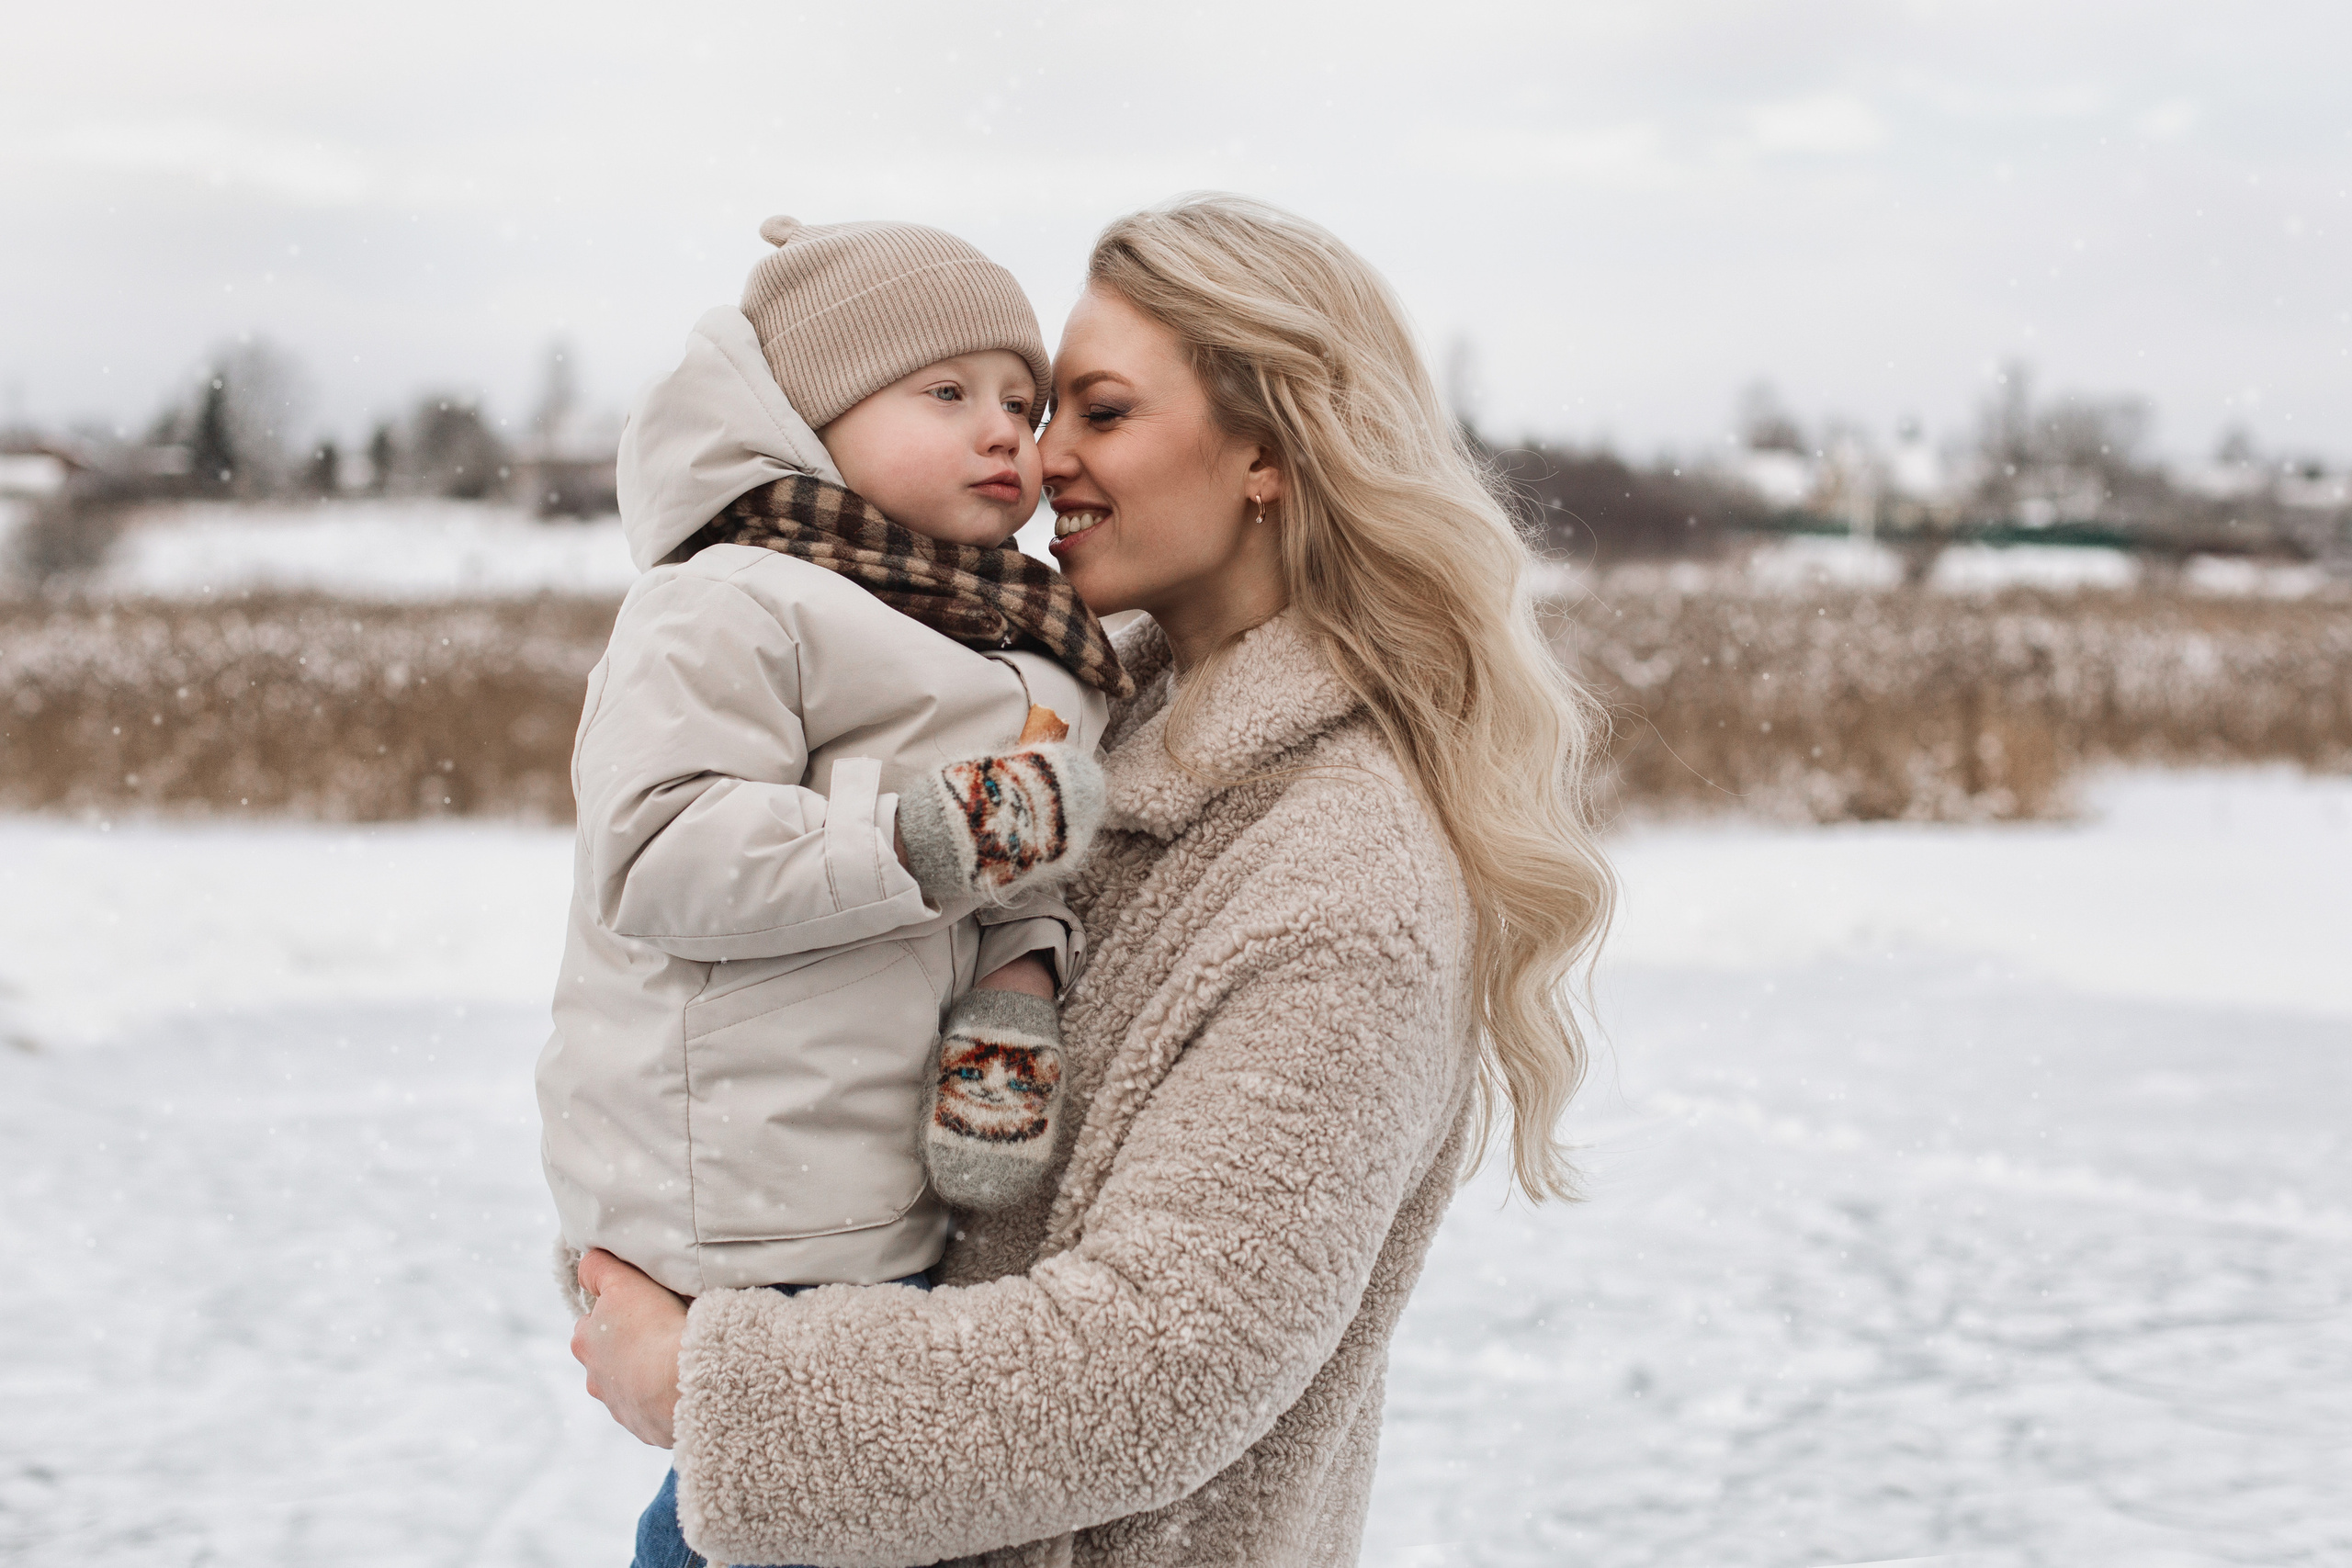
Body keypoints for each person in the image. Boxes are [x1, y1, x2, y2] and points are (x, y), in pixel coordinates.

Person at [571, 194, 1616, 1567]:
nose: (1038, 451)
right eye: (1038, 406)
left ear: (1269, 453)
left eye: (1100, 413)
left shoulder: (1349, 876)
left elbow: (1153, 1368)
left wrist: (708, 1381)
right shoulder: (1077, 716)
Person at [538, 216, 1136, 1563]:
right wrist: (939, 838)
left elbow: (1023, 860)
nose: (1008, 434)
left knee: (824, 1516)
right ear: (807, 419)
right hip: (737, 1193)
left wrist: (1020, 985)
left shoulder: (1017, 642)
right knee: (773, 1526)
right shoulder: (730, 605)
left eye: (1021, 401)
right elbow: (660, 856)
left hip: (879, 1206)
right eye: (947, 393)